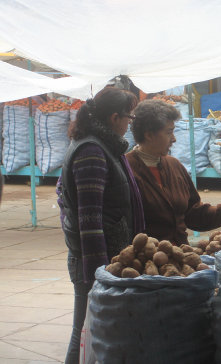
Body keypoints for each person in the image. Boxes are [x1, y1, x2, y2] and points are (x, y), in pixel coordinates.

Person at [56, 87, 145, 364]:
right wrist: (99, 273)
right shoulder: (92, 152)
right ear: (114, 117)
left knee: (95, 330)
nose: (130, 124)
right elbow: (89, 218)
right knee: (84, 331)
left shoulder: (105, 146)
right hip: (95, 260)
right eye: (129, 118)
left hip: (108, 257)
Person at [127, 99, 221, 244]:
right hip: (146, 260)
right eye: (169, 133)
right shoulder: (127, 170)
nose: (174, 139)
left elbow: (193, 213)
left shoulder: (174, 165)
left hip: (181, 256)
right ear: (149, 135)